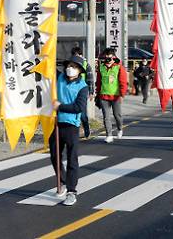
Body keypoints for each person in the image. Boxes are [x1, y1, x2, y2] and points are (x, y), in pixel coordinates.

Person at [50, 55, 89, 206]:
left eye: (74, 66)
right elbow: (48, 67)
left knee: (72, 159)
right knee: (54, 155)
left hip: (72, 126)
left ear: (79, 70)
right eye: (68, 65)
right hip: (57, 124)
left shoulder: (83, 87)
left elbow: (79, 107)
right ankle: (62, 181)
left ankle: (72, 191)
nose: (69, 68)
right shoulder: (60, 78)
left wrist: (60, 106)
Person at [96, 48, 128, 143]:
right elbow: (98, 82)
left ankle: (120, 128)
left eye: (109, 58)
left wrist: (122, 95)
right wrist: (97, 93)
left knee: (117, 115)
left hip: (116, 96)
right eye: (106, 58)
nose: (107, 60)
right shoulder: (101, 67)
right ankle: (109, 134)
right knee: (106, 116)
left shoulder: (119, 67)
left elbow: (123, 82)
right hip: (104, 96)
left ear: (113, 57)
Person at [71, 46, 94, 139]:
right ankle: (74, 132)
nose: (77, 57)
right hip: (71, 91)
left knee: (82, 113)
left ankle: (86, 129)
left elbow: (90, 78)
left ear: (81, 55)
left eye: (78, 55)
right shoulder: (70, 64)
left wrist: (91, 92)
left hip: (82, 92)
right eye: (75, 55)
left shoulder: (85, 64)